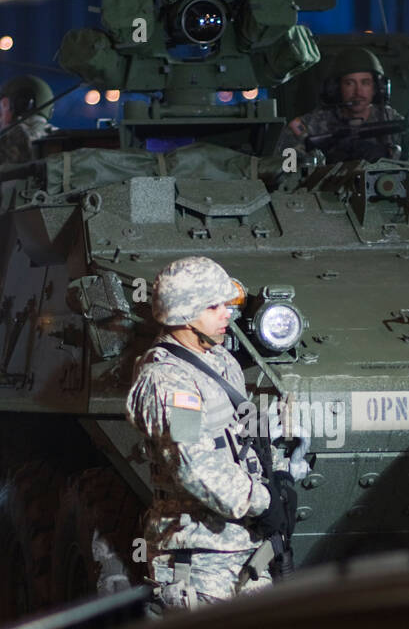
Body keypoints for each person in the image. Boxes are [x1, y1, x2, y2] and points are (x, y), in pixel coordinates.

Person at [126, 256, 297, 608]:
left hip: (242, 548)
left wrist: (278, 476)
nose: (227, 314)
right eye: (214, 306)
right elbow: (194, 464)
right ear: (184, 312)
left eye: (226, 305)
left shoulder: (220, 361)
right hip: (200, 559)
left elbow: (248, 430)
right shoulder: (168, 381)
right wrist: (263, 502)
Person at [276, 46, 409, 167]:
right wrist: (321, 159)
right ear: (336, 88)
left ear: (377, 88)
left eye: (365, 83)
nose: (358, 92)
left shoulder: (392, 121)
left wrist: (390, 153)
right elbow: (281, 161)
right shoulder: (314, 123)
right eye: (349, 83)